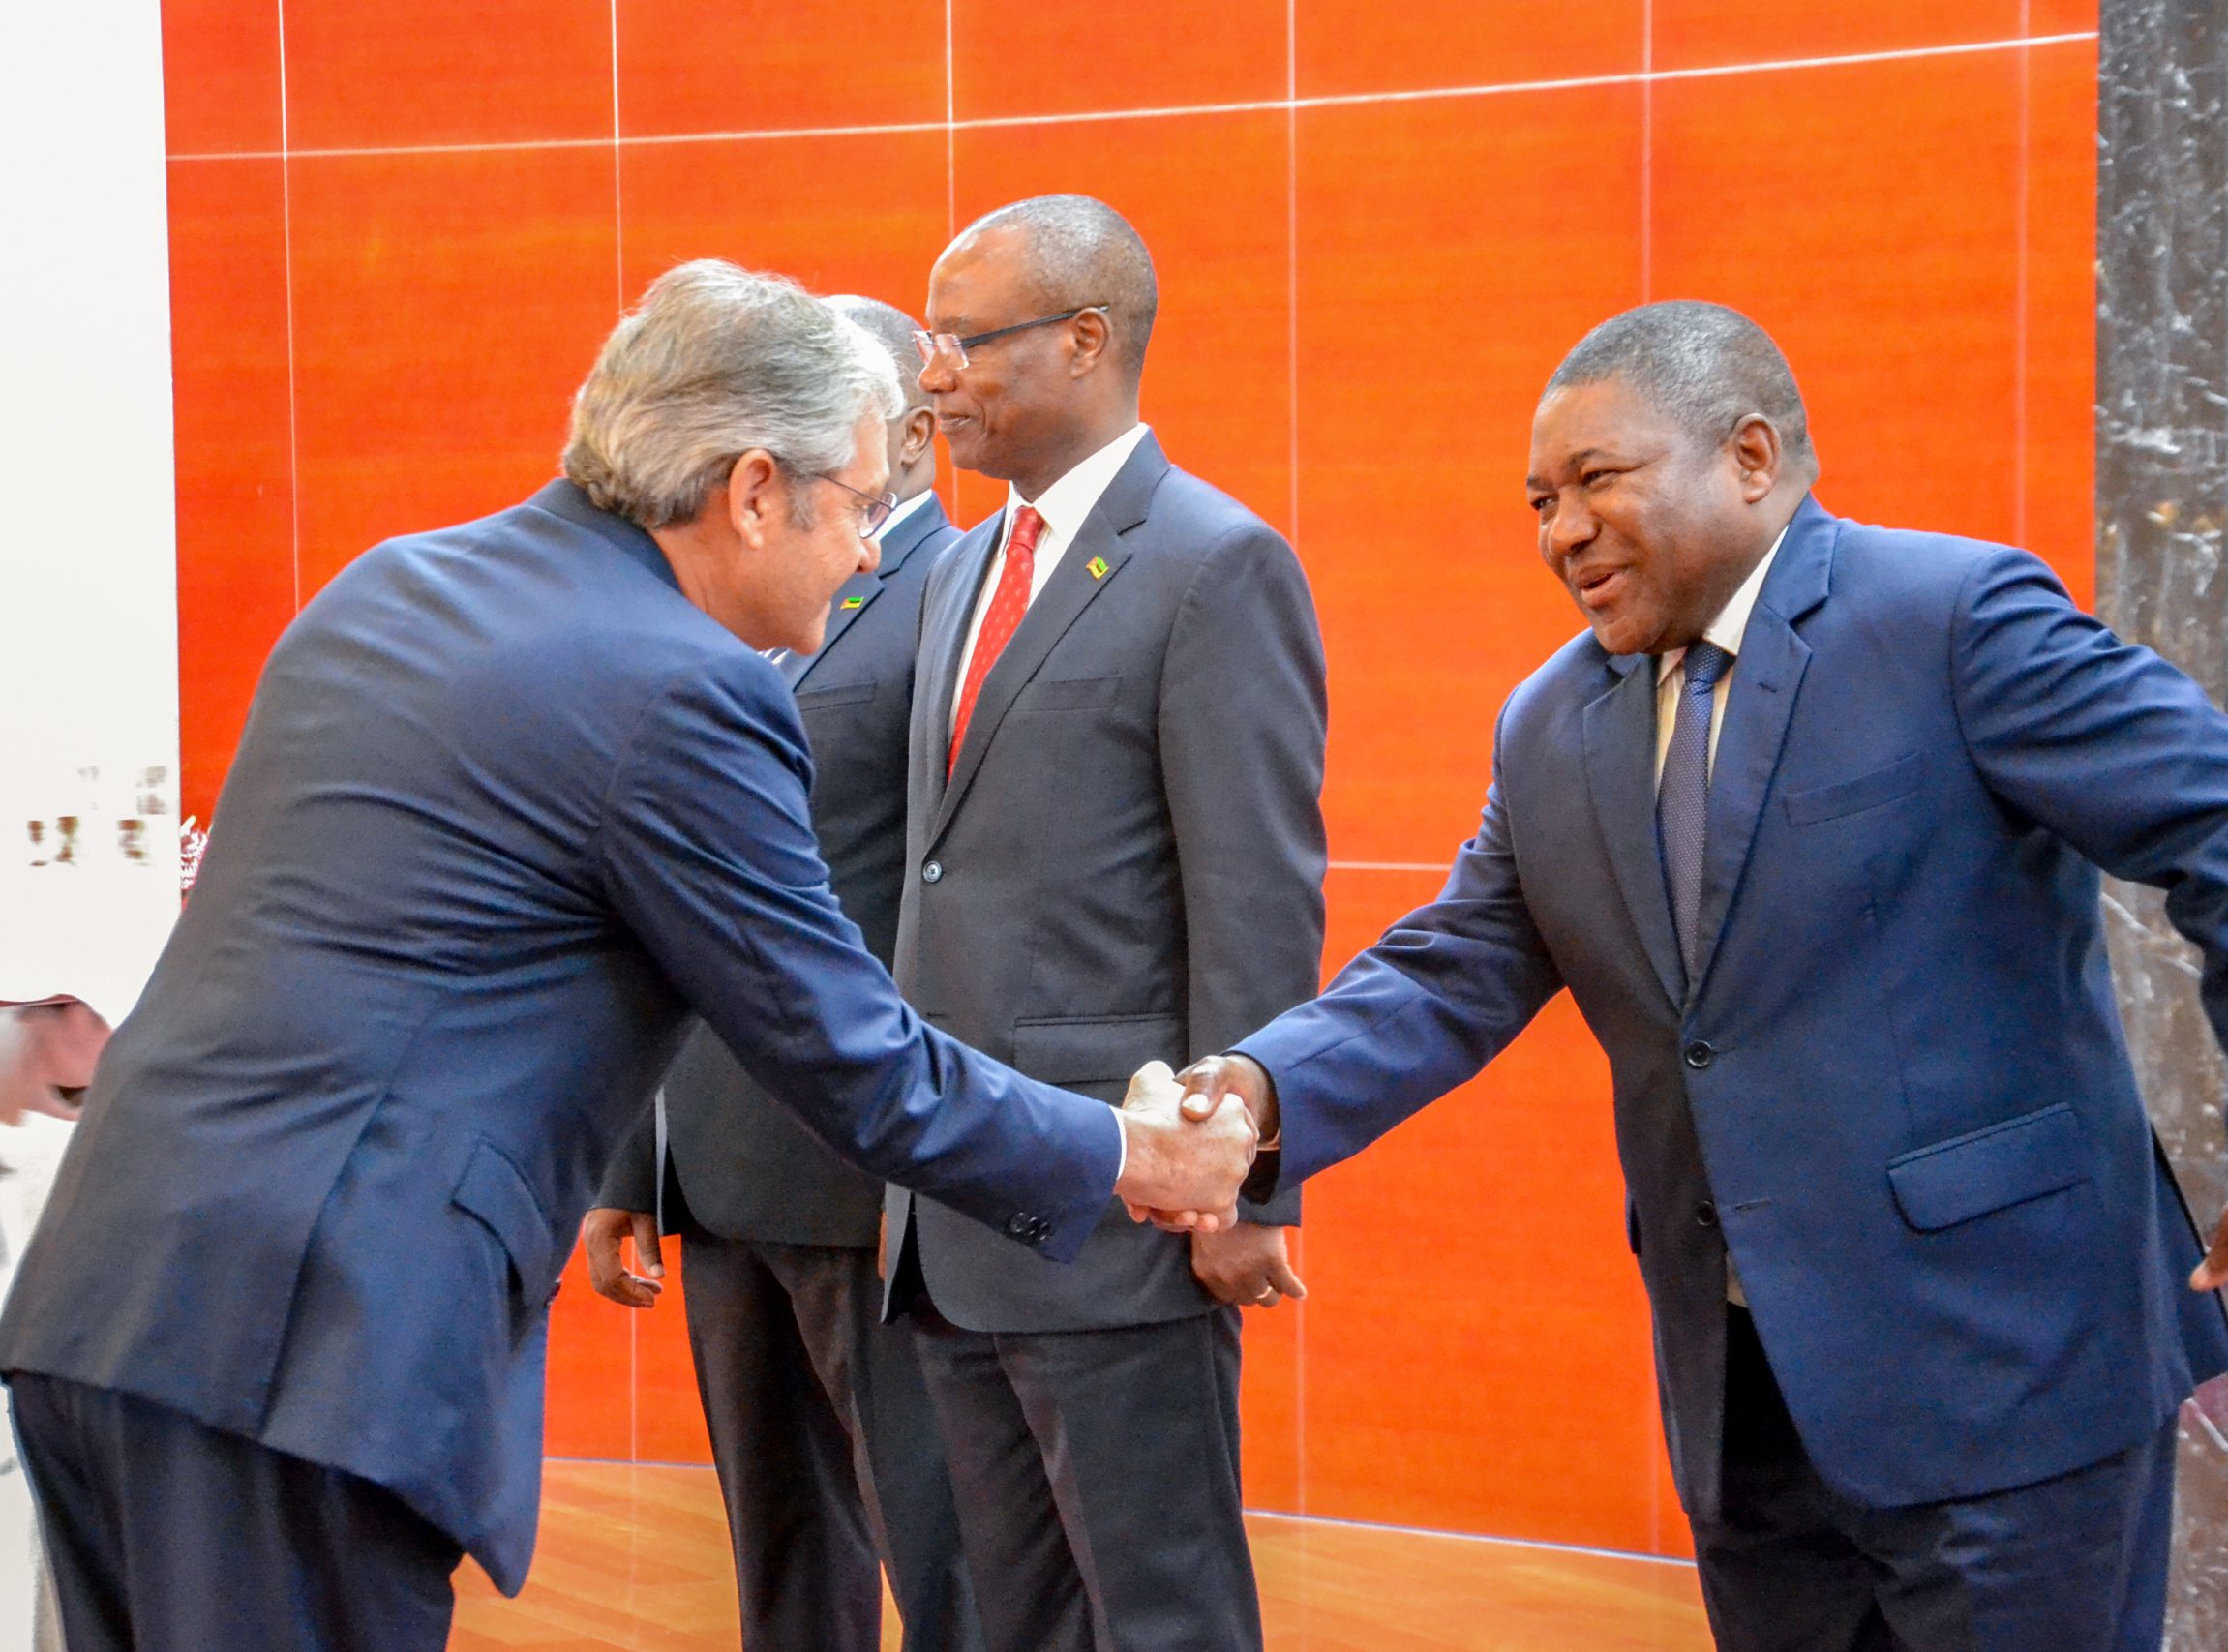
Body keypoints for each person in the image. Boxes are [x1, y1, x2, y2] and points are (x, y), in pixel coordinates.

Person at [0, 259, 1256, 1652]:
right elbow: (857, 1062)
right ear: (755, 488)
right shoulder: (681, 687)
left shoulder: (394, 581)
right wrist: (1136, 1157)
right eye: (854, 504)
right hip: (301, 1346)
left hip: (101, 1296)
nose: (863, 554)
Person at [1171, 302, 2228, 1652]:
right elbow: (1459, 964)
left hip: (2012, 1386)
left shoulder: (1953, 618)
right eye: (1541, 502)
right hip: (1750, 1417)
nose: (1561, 534)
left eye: (1597, 482)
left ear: (1747, 455)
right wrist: (1258, 1093)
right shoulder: (1550, 719)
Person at [886, 195, 1325, 1652]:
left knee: (1164, 1616)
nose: (931, 376)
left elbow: (1254, 900)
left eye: (963, 342)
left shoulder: (1215, 563)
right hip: (953, 1212)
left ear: (1086, 342)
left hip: (1126, 1218)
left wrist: (1247, 1189)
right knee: (1012, 1621)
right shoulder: (954, 568)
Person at [582, 293, 982, 1652]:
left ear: (907, 429)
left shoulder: (971, 597)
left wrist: (930, 1176)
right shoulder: (718, 593)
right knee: (784, 1574)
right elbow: (662, 903)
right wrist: (636, 1162)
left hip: (870, 1176)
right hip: (717, 1163)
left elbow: (954, 898)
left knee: (946, 1563)